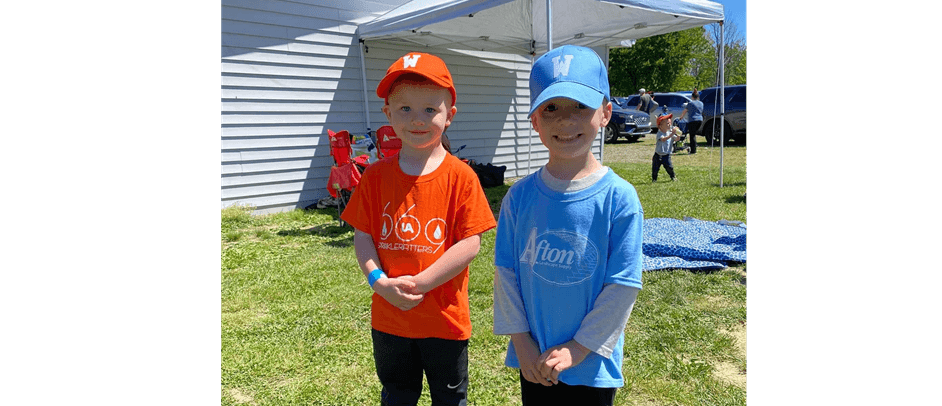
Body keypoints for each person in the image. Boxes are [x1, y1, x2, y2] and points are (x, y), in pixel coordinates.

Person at [341, 51, 497, 406]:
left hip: (444, 320)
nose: (417, 120)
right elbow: (363, 235)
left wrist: (421, 284)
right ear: (388, 114)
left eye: (430, 109)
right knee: (397, 395)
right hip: (389, 318)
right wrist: (378, 282)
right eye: (405, 109)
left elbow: (469, 243)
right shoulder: (376, 176)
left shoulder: (461, 176)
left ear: (450, 115)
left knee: (450, 398)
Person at [492, 45, 644, 406]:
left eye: (580, 106)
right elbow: (506, 273)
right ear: (534, 120)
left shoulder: (619, 198)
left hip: (590, 366)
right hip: (535, 360)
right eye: (551, 108)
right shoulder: (519, 197)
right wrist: (521, 342)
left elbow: (622, 286)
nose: (565, 120)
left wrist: (578, 349)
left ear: (606, 112)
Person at [652, 113, 682, 182]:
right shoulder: (659, 133)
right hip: (658, 155)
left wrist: (678, 134)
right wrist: (672, 134)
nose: (669, 125)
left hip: (666, 155)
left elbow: (677, 139)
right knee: (655, 169)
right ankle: (654, 179)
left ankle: (673, 176)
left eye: (669, 123)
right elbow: (663, 139)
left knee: (669, 167)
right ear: (660, 126)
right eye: (667, 123)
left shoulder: (670, 133)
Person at [677, 90, 703, 154]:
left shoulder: (690, 103)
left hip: (693, 120)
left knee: (692, 135)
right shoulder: (701, 103)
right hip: (700, 120)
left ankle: (693, 151)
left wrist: (681, 117)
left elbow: (685, 110)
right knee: (694, 134)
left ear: (692, 97)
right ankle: (694, 146)